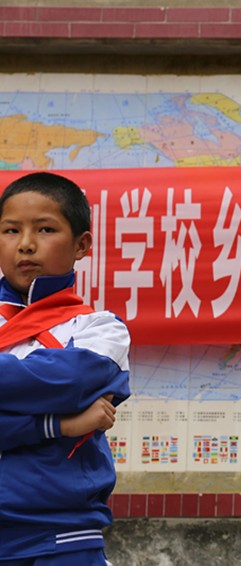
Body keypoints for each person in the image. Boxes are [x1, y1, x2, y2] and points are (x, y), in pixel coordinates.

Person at [0, 172, 131, 565]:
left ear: (81, 245)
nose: (25, 244)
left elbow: (68, 382)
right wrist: (58, 424)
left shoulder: (101, 330)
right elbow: (53, 390)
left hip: (64, 537)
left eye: (45, 229)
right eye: (10, 230)